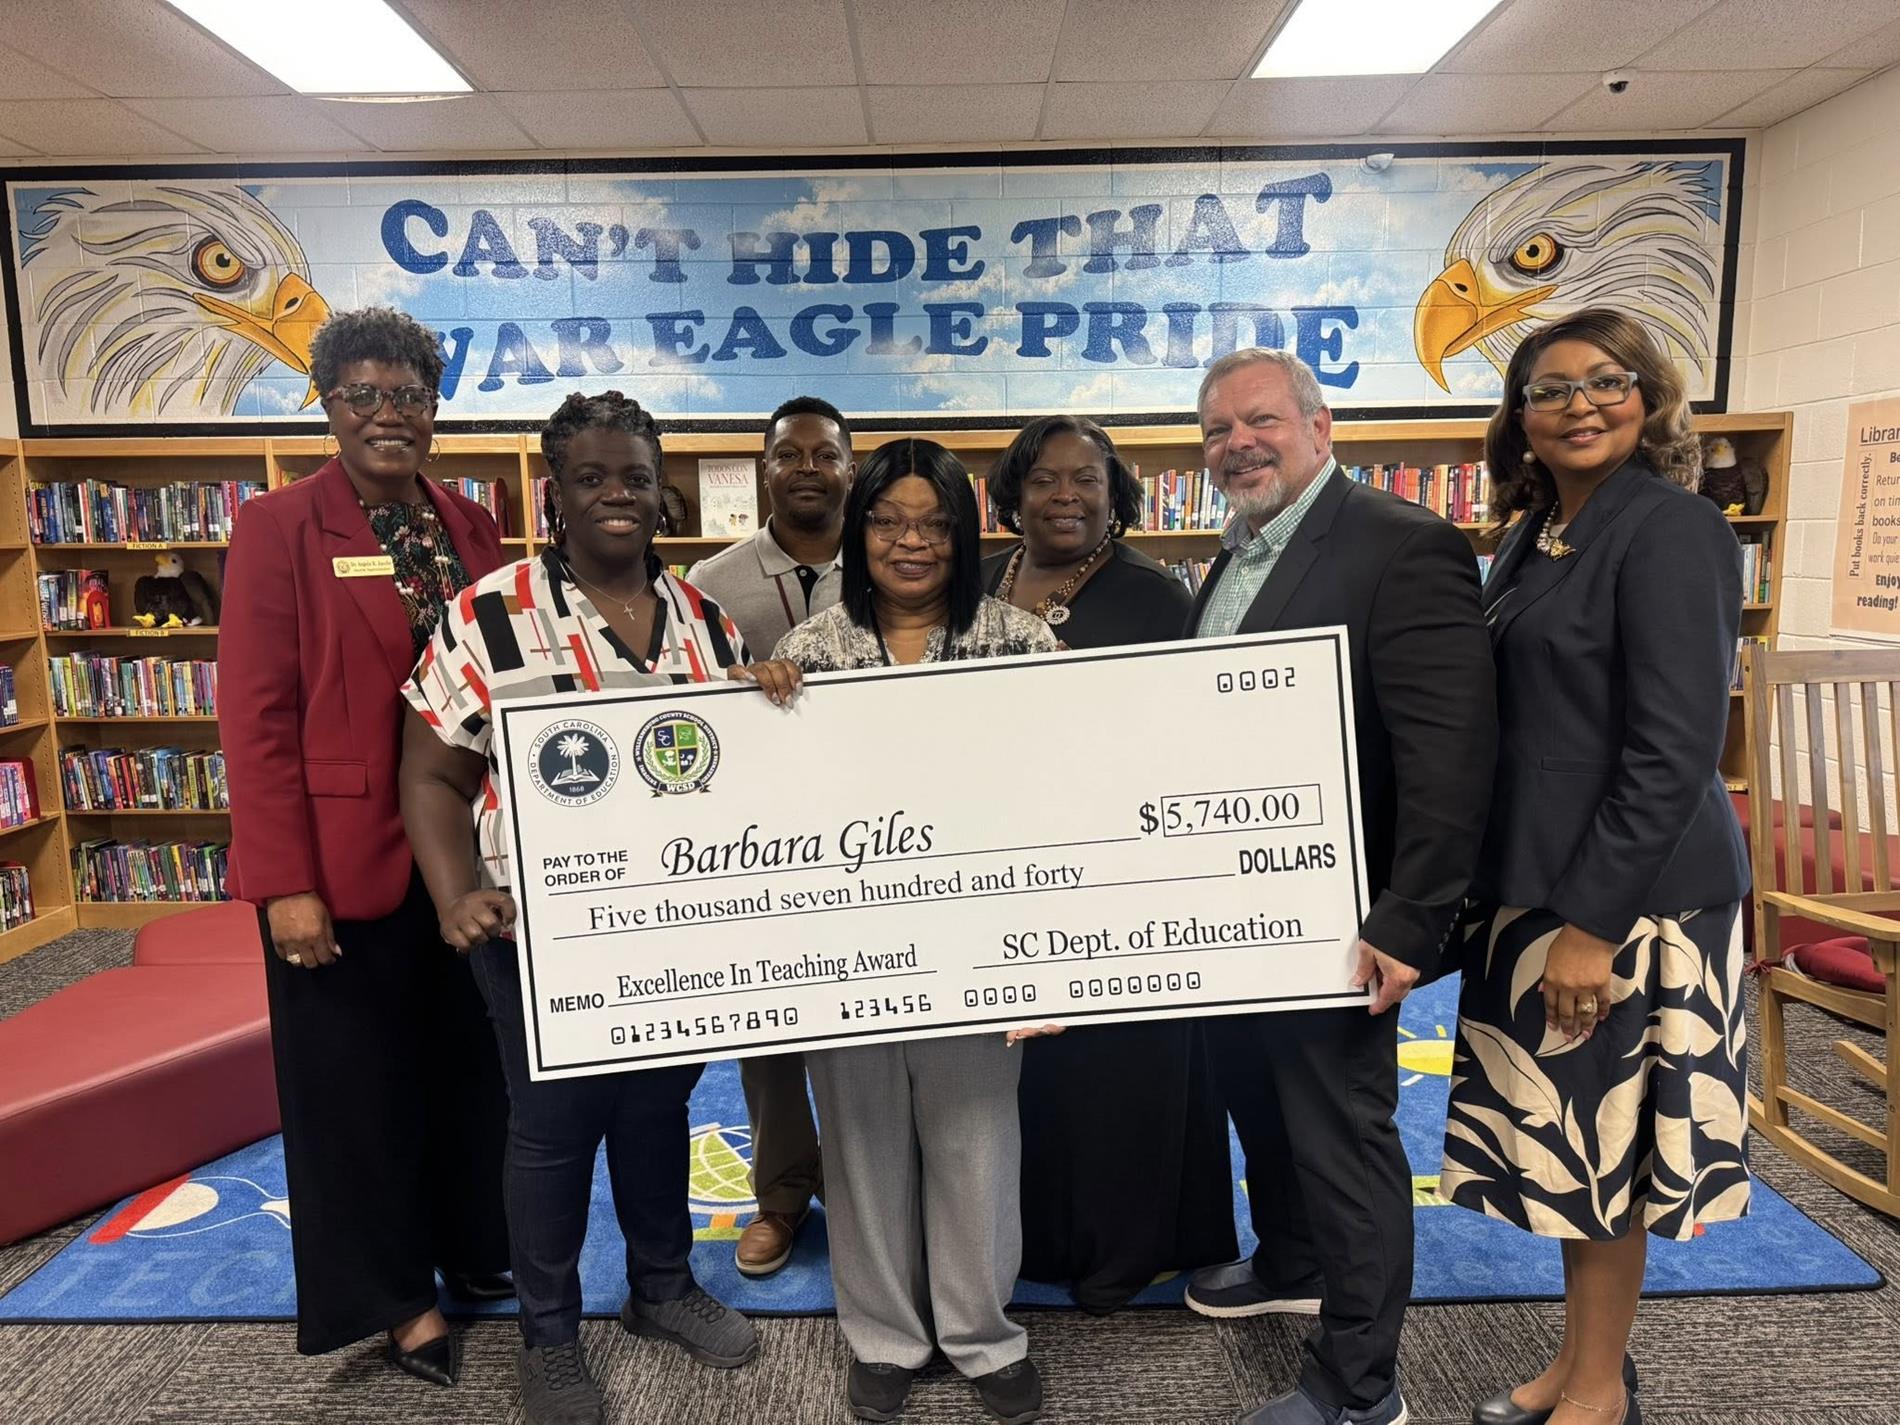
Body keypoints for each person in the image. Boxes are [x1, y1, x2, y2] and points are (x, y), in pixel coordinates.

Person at [400, 392, 760, 1425]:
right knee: (553, 1128)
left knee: (657, 1106)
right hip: (534, 928)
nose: (617, 495)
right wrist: (454, 895)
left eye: (636, 479)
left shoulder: (703, 618)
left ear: (661, 493)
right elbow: (427, 773)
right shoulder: (489, 612)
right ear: (554, 495)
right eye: (594, 478)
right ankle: (549, 1340)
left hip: (674, 923)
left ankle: (661, 1288)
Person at [1439, 310, 1751, 1425]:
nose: (1578, 404)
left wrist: (1589, 926)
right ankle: (1577, 1366)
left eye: (1604, 381)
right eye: (1549, 389)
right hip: (1539, 884)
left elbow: (1672, 752)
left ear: (1647, 396)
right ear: (1517, 421)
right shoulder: (1537, 534)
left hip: (1628, 900)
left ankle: (1600, 1386)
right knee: (1571, 1155)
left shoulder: (1671, 530)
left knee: (1607, 1151)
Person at [1181, 348, 1497, 1425]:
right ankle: (1288, 1259)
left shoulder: (1401, 546)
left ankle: (1360, 1386)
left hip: (1341, 918)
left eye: (1258, 420)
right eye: (1217, 431)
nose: (1236, 445)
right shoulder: (1234, 559)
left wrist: (1408, 918)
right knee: (1259, 1103)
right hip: (1237, 913)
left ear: (1321, 428)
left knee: (1341, 1135)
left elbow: (1450, 755)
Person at [218, 306, 513, 1384]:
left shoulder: (474, 528)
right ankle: (396, 1301)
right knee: (356, 1095)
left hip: (466, 859)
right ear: (328, 406)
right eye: (362, 396)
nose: (387, 417)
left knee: (468, 1074)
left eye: (408, 397)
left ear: (434, 409)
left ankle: (478, 1255)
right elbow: (252, 721)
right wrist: (283, 884)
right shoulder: (276, 529)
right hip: (339, 870)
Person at [742, 438, 1059, 1425]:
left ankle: (980, 1333)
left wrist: (1054, 954)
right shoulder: (813, 655)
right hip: (850, 950)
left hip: (983, 944)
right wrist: (761, 710)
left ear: (964, 533)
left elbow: (1064, 800)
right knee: (864, 1137)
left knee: (975, 1139)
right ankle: (884, 1335)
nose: (910, 541)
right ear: (858, 529)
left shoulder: (1023, 640)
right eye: (888, 521)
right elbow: (773, 809)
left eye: (933, 522)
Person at [980, 415, 1235, 1312]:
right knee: (1023, 1072)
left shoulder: (1159, 597)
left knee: (1120, 1068)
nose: (1065, 496)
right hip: (1000, 873)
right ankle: (1033, 1240)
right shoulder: (974, 583)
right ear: (1013, 491)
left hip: (1123, 874)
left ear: (1116, 493)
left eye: (1087, 479)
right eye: (1045, 479)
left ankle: (1122, 1253)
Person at [684, 394, 855, 1279]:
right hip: (759, 842)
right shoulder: (710, 584)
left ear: (850, 469)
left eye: (825, 454)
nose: (807, 469)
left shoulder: (893, 563)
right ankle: (781, 1194)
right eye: (788, 453)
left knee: (869, 1021)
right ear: (763, 469)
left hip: (875, 832)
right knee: (772, 1027)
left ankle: (869, 1192)